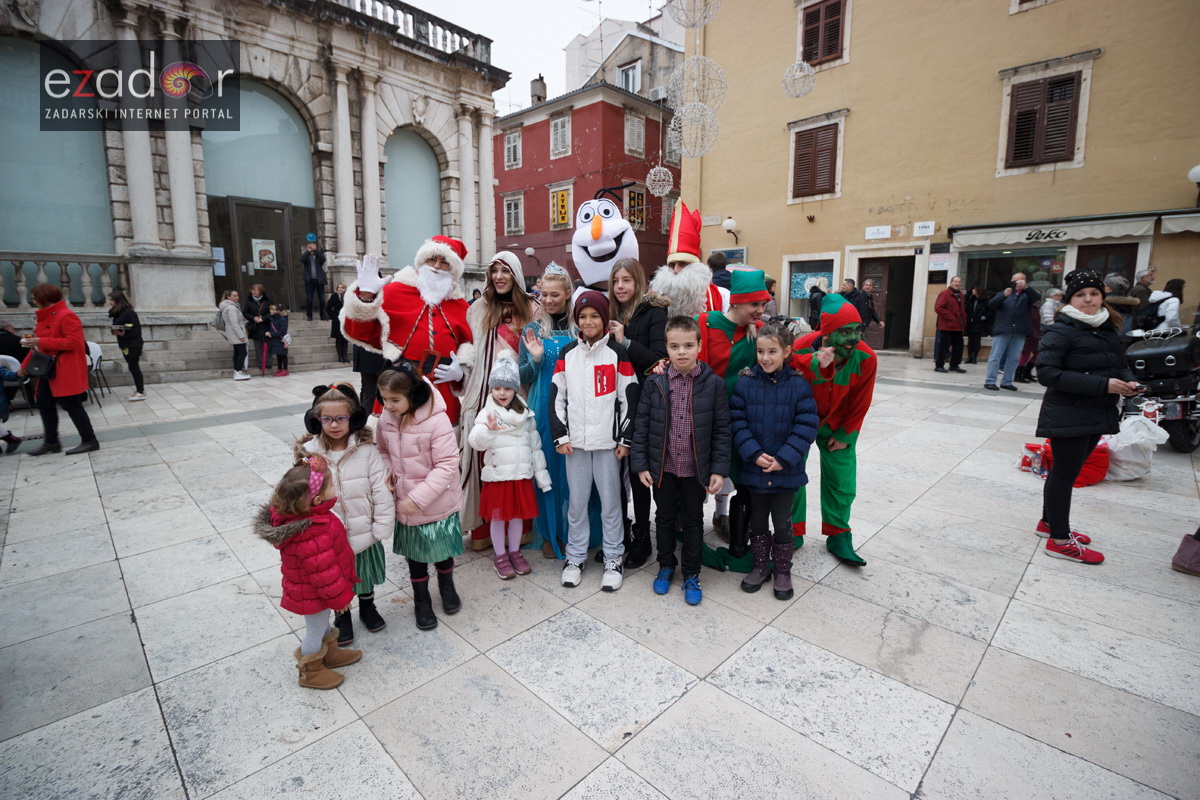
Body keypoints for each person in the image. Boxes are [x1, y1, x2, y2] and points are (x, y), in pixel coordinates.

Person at [1035, 269, 1143, 565]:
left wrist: (1128, 381)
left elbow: (1118, 365)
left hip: (1097, 410)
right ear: (1070, 299)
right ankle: (1059, 540)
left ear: (1102, 297)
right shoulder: (1061, 330)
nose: (1088, 300)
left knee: (1067, 471)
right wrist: (1103, 385)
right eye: (1081, 295)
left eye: (1094, 294)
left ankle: (1048, 523)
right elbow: (1047, 374)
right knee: (1064, 473)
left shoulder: (1106, 327)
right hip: (1068, 411)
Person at [633, 316, 730, 605]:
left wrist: (719, 470)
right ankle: (665, 565)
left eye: (688, 345)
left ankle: (691, 572)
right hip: (662, 468)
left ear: (699, 346)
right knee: (663, 518)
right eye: (674, 346)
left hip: (695, 470)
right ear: (666, 348)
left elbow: (722, 430)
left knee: (693, 520)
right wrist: (641, 464)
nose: (682, 352)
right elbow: (642, 425)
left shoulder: (713, 385)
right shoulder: (655, 383)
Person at [550, 291, 637, 591]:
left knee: (611, 504)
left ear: (604, 319)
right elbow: (557, 397)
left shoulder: (617, 353)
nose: (588, 322)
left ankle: (613, 557)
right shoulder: (567, 354)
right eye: (583, 316)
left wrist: (624, 439)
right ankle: (575, 557)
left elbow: (629, 397)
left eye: (595, 316)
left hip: (608, 446)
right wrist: (561, 435)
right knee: (576, 504)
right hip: (574, 445)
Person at [296, 383, 393, 646]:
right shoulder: (310, 455)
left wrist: (382, 524)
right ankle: (343, 616)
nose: (334, 425)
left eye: (341, 418)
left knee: (365, 574)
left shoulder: (367, 450)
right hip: (329, 536)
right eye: (327, 419)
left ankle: (368, 606)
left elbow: (381, 489)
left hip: (364, 531)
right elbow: (300, 491)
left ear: (353, 418)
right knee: (337, 579)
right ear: (317, 420)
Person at [254, 454, 362, 689]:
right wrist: (340, 599)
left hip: (316, 591)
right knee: (315, 629)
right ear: (317, 499)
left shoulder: (315, 516)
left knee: (323, 624)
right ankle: (310, 671)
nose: (335, 487)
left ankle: (329, 653)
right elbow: (324, 573)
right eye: (331, 484)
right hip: (313, 593)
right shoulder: (311, 531)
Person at [341, 238, 474, 425]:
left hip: (442, 388)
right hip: (399, 385)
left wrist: (461, 373)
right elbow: (360, 333)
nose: (437, 266)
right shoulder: (395, 291)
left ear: (453, 269)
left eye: (444, 262)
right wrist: (365, 298)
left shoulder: (461, 306)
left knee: (442, 439)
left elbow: (472, 347)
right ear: (422, 261)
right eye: (432, 259)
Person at [730, 322, 819, 599]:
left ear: (787, 351)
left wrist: (784, 458)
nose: (765, 358)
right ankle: (760, 565)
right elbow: (737, 423)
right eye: (760, 351)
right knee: (757, 520)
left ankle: (782, 569)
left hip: (785, 472)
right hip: (755, 469)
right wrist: (754, 454)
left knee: (782, 521)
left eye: (772, 351)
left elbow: (806, 426)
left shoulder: (799, 386)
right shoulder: (746, 384)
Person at [789, 294, 878, 566]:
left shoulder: (866, 357)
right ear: (826, 334)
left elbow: (862, 401)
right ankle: (791, 530)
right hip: (800, 422)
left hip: (838, 424)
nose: (854, 338)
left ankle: (839, 533)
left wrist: (845, 434)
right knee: (790, 475)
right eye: (845, 332)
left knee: (841, 480)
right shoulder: (801, 348)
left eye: (857, 330)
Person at [375, 364, 464, 630]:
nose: (388, 405)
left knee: (442, 552)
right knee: (415, 557)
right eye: (384, 399)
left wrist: (418, 499)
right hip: (406, 503)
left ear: (414, 394)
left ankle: (446, 585)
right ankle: (421, 599)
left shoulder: (437, 421)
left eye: (395, 400)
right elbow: (382, 450)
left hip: (436, 501)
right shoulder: (385, 419)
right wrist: (388, 470)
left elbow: (447, 465)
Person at [458, 251, 536, 551]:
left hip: (519, 397)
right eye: (495, 271)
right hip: (484, 396)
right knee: (487, 465)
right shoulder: (478, 309)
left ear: (516, 274)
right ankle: (484, 531)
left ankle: (517, 533)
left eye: (505, 270)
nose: (499, 276)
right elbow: (472, 350)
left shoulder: (532, 308)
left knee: (515, 463)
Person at [696, 269, 770, 567]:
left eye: (763, 304)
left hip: (740, 421)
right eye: (755, 304)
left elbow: (784, 357)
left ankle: (735, 537)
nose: (760, 310)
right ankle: (687, 536)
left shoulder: (759, 331)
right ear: (737, 302)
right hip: (704, 417)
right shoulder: (705, 322)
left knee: (743, 478)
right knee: (696, 478)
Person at [467, 354, 552, 580]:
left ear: (515, 389)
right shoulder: (487, 414)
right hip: (498, 477)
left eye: (507, 388)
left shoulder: (526, 415)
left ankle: (515, 552)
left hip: (520, 477)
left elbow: (535, 448)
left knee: (516, 518)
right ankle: (500, 556)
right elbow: (475, 442)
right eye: (497, 388)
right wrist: (490, 431)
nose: (502, 393)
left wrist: (542, 477)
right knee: (498, 518)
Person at [608, 257, 669, 568]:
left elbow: (659, 360)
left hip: (643, 403)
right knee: (613, 473)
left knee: (638, 470)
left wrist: (625, 341)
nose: (620, 286)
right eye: (616, 280)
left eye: (626, 280)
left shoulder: (654, 312)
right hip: (610, 402)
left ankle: (643, 537)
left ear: (638, 282)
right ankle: (620, 533)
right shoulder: (607, 311)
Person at [519, 264, 580, 560]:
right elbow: (523, 376)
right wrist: (535, 359)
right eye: (544, 294)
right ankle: (549, 532)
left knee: (573, 471)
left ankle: (572, 531)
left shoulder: (579, 329)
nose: (548, 300)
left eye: (555, 294)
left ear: (567, 294)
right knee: (546, 470)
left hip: (576, 407)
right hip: (543, 406)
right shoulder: (532, 330)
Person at [22, 284, 99, 455]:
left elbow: (74, 342)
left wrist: (40, 341)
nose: (33, 301)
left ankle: (89, 440)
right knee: (44, 403)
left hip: (64, 368)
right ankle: (51, 442)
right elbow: (39, 347)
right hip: (48, 369)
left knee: (71, 405)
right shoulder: (43, 317)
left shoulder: (66, 315)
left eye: (35, 298)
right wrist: (24, 366)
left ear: (44, 299)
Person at [649, 200, 728, 318]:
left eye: (682, 264)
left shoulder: (722, 296)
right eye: (672, 265)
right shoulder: (656, 296)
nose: (676, 270)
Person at [984, 272, 1040, 391]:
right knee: (995, 356)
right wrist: (1003, 296)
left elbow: (1037, 298)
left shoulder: (1028, 295)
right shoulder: (1003, 293)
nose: (1017, 283)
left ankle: (1007, 381)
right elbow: (991, 305)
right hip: (1003, 329)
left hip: (1020, 330)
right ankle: (990, 381)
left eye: (1021, 281)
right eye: (1015, 281)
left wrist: (1026, 288)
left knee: (1014, 358)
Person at [106, 290, 145, 400]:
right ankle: (139, 390)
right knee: (132, 367)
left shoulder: (129, 313)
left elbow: (136, 330)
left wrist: (123, 333)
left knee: (134, 367)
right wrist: (115, 331)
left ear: (117, 300)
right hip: (125, 344)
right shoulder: (117, 313)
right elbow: (119, 326)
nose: (109, 302)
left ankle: (140, 391)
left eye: (111, 300)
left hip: (133, 344)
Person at [933, 276, 967, 374]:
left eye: (959, 282)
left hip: (958, 326)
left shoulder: (960, 295)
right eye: (955, 281)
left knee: (958, 346)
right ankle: (939, 365)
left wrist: (964, 320)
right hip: (947, 325)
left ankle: (954, 365)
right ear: (951, 282)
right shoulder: (944, 294)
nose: (957, 283)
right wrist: (951, 317)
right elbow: (938, 308)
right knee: (944, 346)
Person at [219, 290, 251, 381]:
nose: (237, 297)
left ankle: (237, 371)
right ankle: (238, 371)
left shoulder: (230, 307)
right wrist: (241, 335)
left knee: (237, 352)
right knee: (242, 352)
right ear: (228, 297)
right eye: (234, 295)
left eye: (237, 295)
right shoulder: (231, 308)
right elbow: (234, 323)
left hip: (234, 333)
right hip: (236, 333)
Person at [243, 284, 271, 374]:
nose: (253, 292)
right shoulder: (249, 301)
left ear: (261, 291)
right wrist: (253, 318)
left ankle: (268, 362)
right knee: (258, 346)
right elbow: (245, 312)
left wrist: (264, 318)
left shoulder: (268, 301)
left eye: (255, 290)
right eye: (252, 290)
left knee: (268, 345)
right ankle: (260, 363)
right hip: (255, 327)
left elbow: (272, 312)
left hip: (266, 326)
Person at [299, 242, 328, 321]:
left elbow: (323, 259)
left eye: (313, 245)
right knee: (309, 299)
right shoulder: (307, 256)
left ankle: (323, 315)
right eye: (310, 245)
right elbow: (302, 260)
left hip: (319, 280)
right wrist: (308, 251)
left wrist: (316, 250)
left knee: (322, 299)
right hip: (309, 280)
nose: (312, 247)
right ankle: (309, 316)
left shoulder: (318, 255)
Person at [964, 285, 992, 364]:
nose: (973, 290)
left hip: (979, 323)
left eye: (974, 289)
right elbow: (967, 308)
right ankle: (969, 356)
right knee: (970, 340)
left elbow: (989, 312)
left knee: (977, 340)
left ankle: (975, 357)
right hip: (970, 322)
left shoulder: (985, 300)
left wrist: (983, 318)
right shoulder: (971, 299)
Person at [265, 304, 290, 376]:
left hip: (281, 340)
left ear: (278, 311)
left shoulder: (282, 319)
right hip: (275, 340)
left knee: (283, 355)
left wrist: (271, 334)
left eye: (273, 309)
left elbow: (283, 331)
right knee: (278, 355)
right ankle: (279, 369)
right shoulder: (272, 319)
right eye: (270, 309)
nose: (271, 311)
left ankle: (285, 369)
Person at [327, 283, 348, 363]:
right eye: (338, 287)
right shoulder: (335, 296)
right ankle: (340, 356)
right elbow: (328, 307)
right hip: (337, 319)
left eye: (342, 287)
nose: (340, 289)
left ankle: (345, 356)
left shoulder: (347, 296)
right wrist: (333, 317)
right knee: (339, 338)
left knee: (345, 338)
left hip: (345, 319)